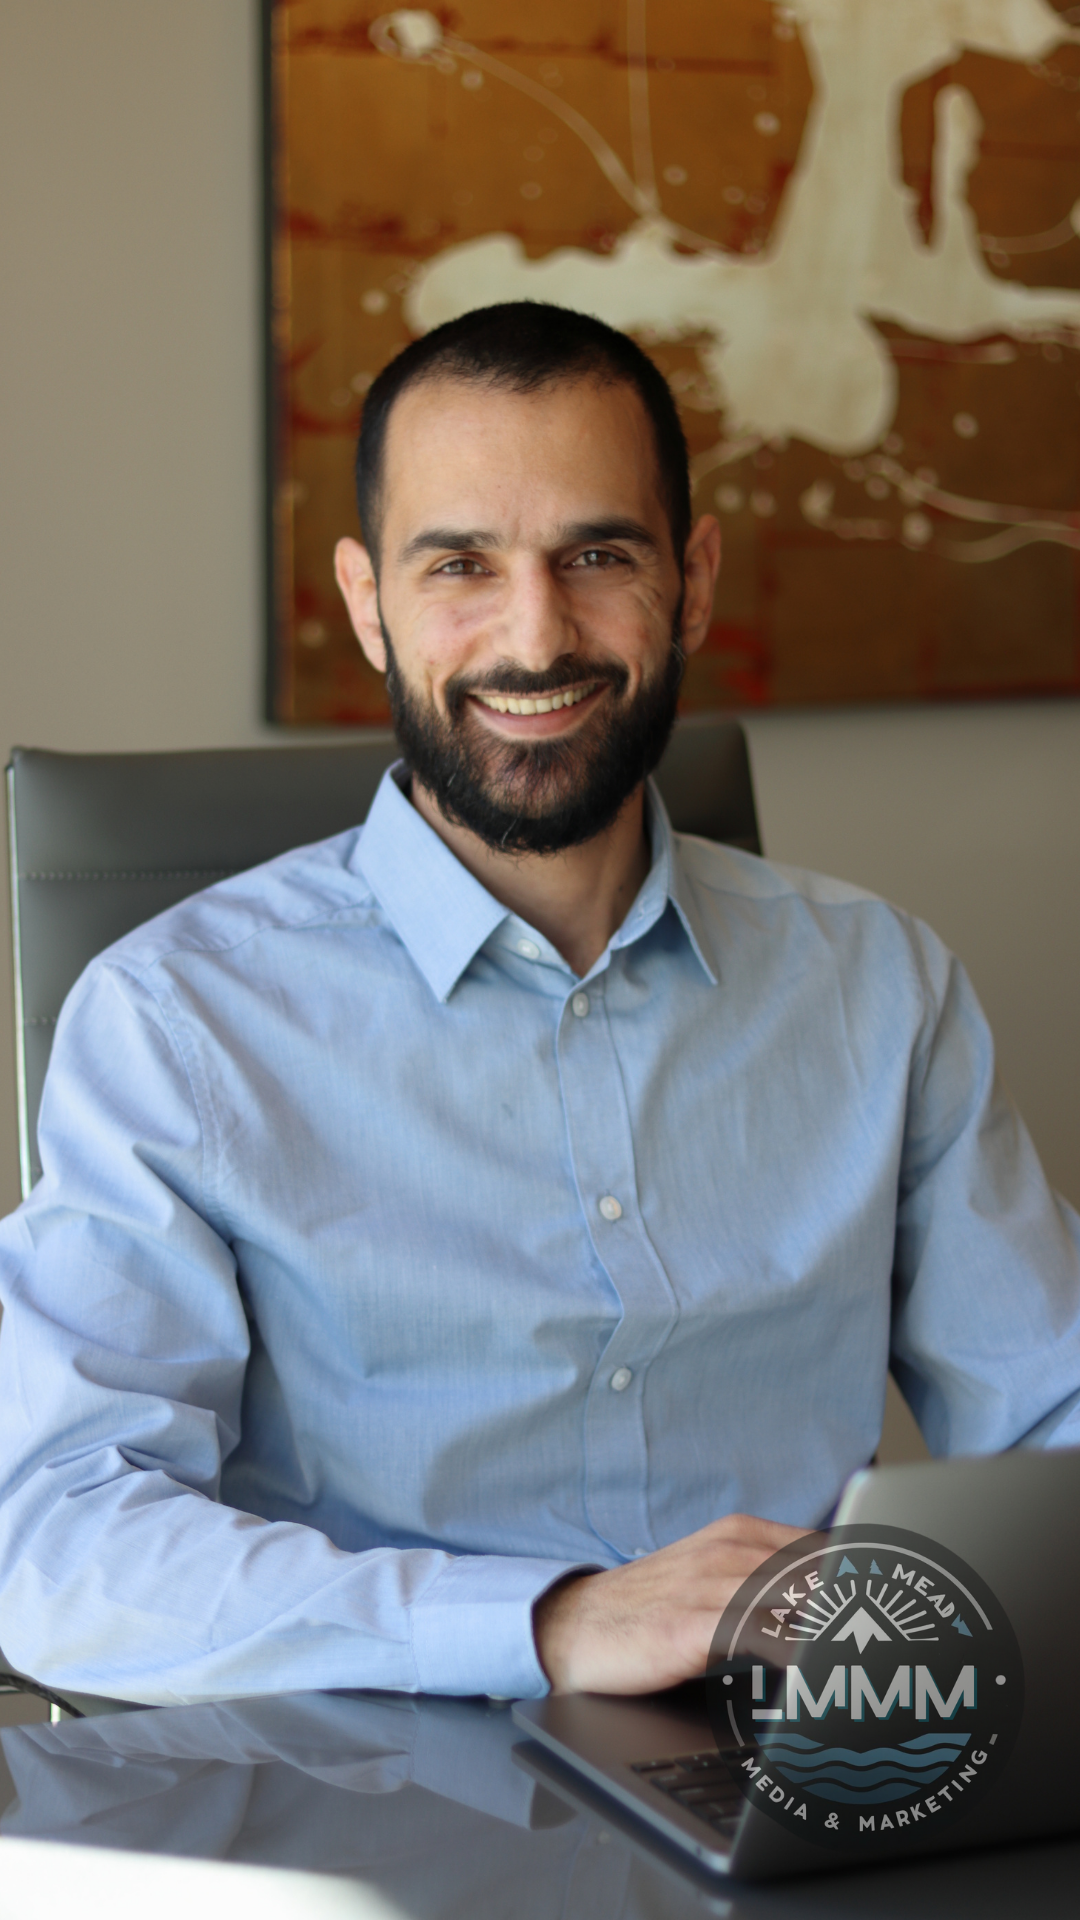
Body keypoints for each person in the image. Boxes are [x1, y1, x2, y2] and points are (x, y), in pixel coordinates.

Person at [0, 303, 1078, 1709]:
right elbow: (59, 1549)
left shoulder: (881, 984)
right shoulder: (174, 1022)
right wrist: (551, 1622)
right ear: (366, 600)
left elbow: (1053, 1418)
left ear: (689, 583)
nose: (536, 634)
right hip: (374, 1806)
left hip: (810, 1774)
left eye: (599, 555)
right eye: (460, 564)